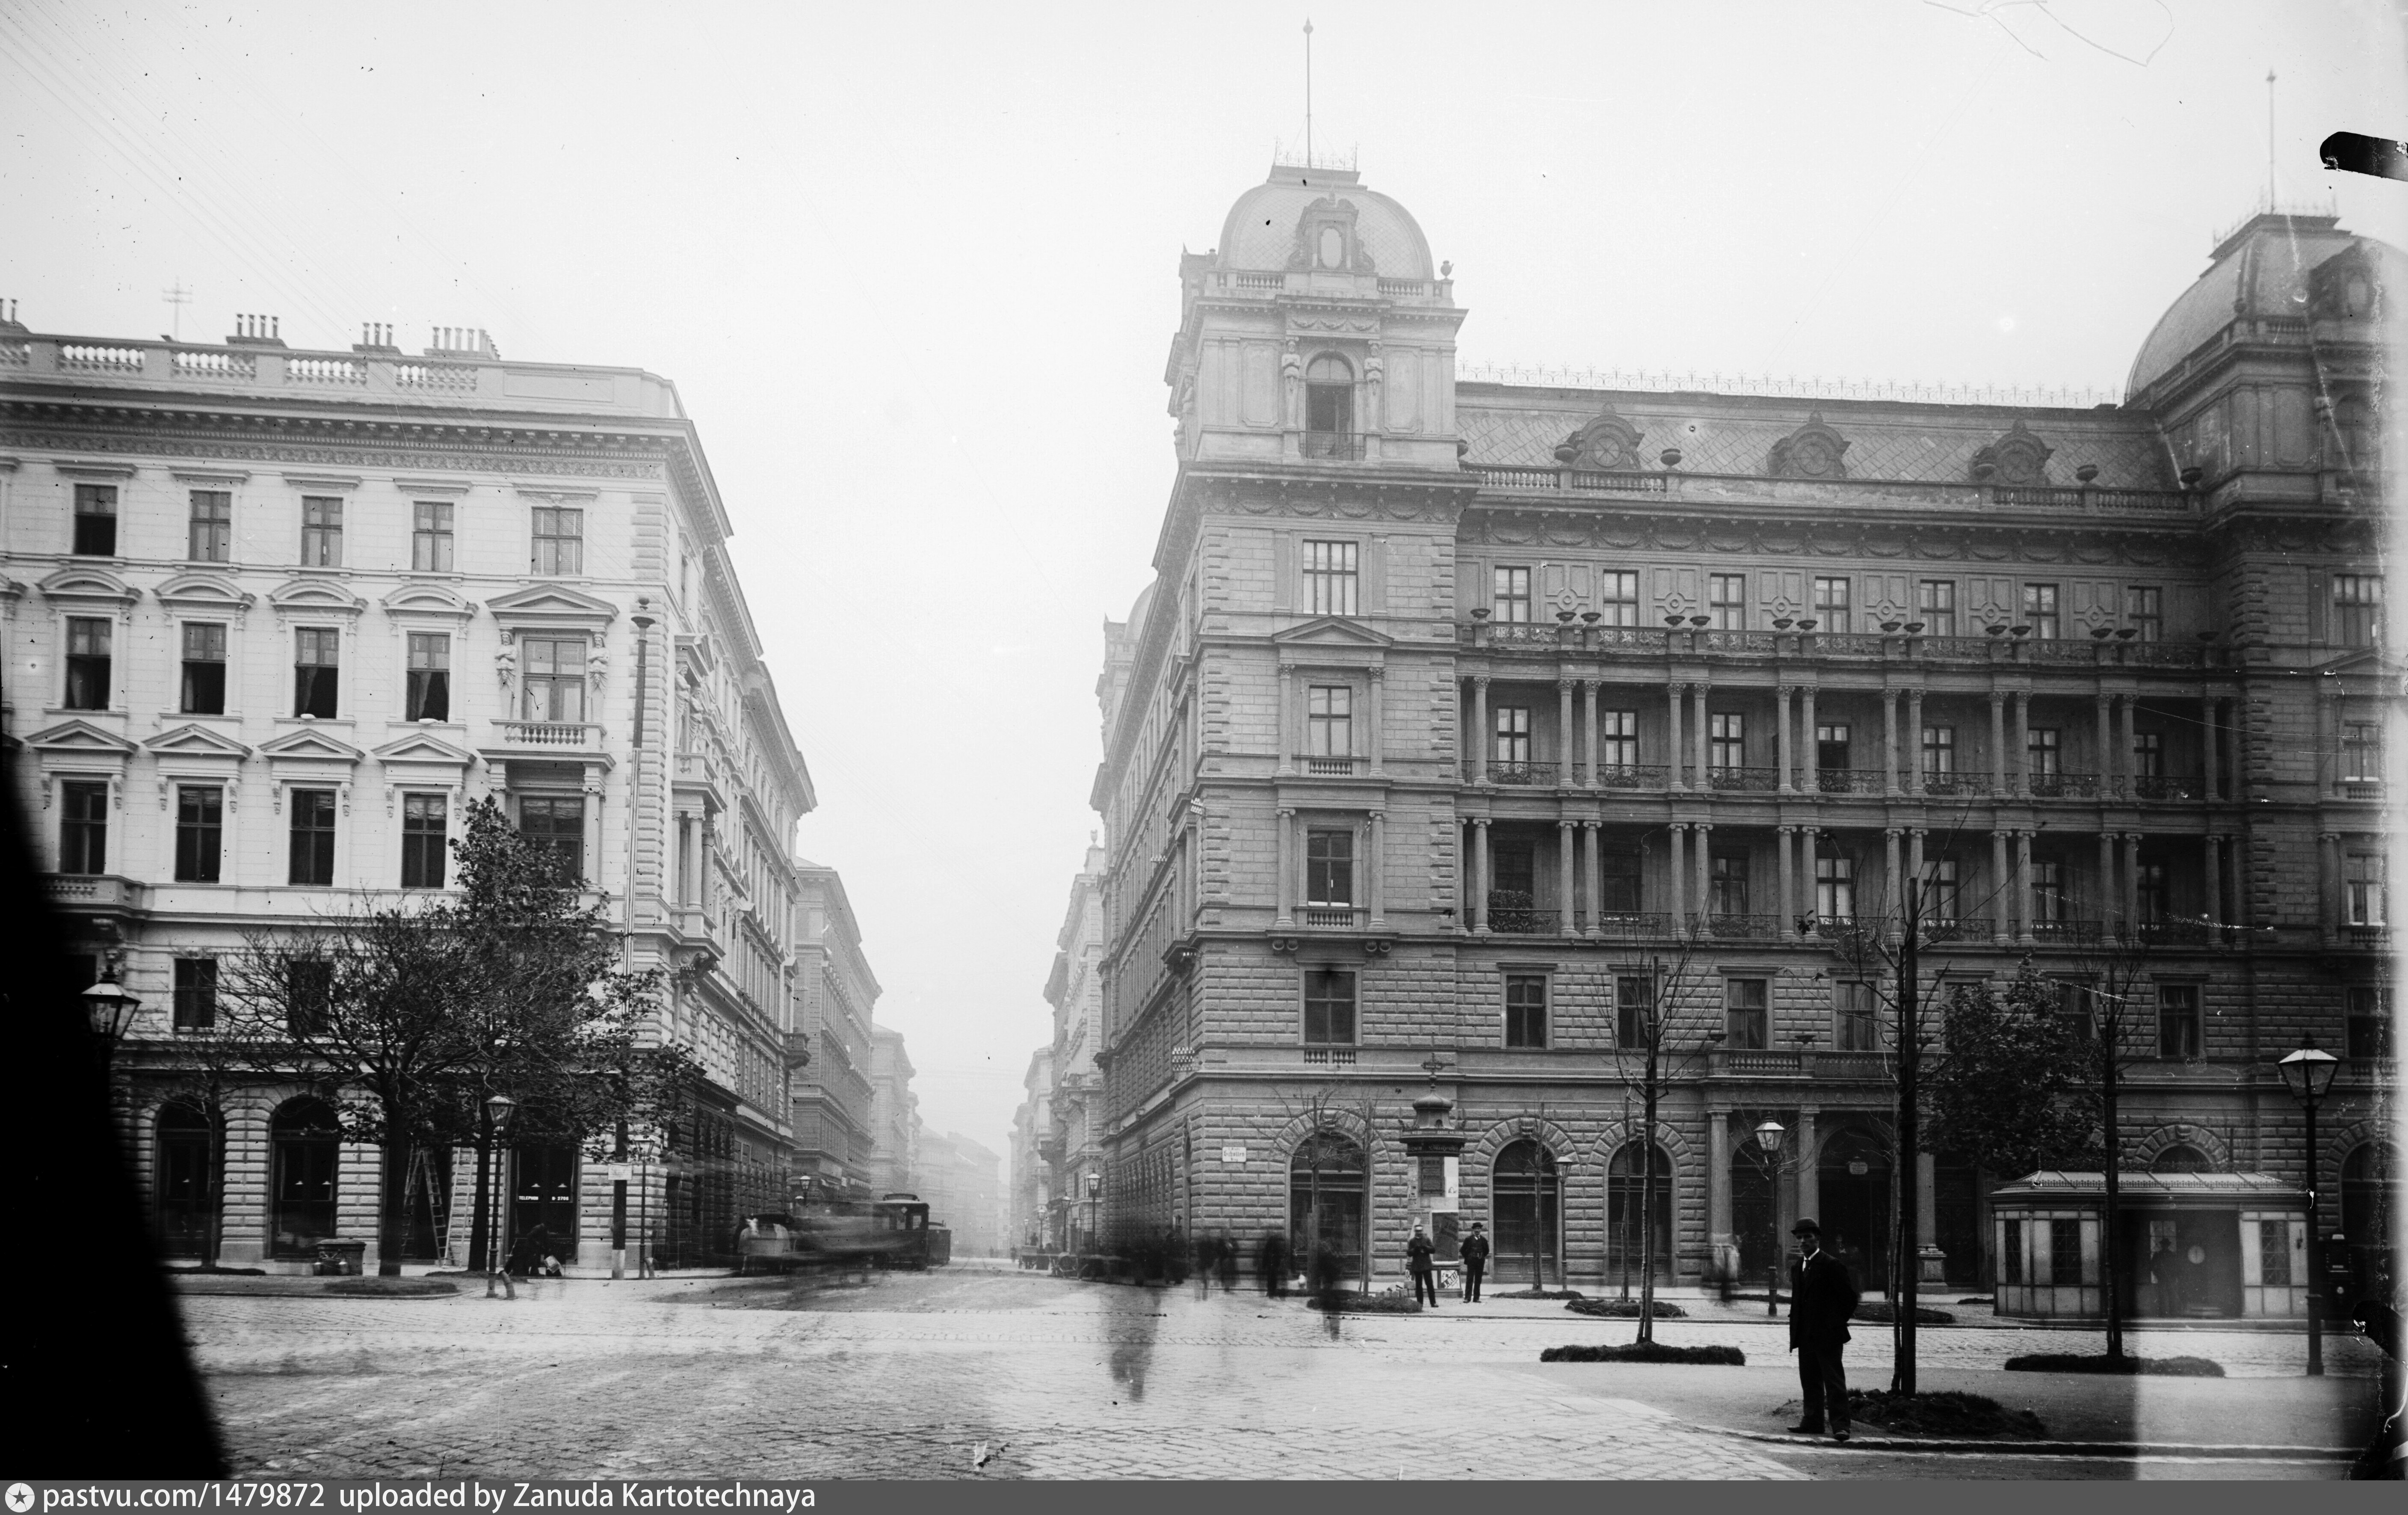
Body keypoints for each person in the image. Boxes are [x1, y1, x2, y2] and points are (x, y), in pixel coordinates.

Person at [1786, 1219, 1859, 1441]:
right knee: (1810, 1380)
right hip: (1805, 1334)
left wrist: (1833, 1324)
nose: (1803, 1241)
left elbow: (1849, 1299)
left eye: (1807, 1237)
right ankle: (1813, 1422)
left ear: (1817, 1238)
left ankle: (1841, 1426)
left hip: (1828, 1335)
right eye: (1799, 1237)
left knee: (1833, 1381)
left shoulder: (1831, 1265)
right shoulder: (1798, 1267)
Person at [1406, 1224, 1440, 1308]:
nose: (1419, 1233)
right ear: (1415, 1232)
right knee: (1419, 1286)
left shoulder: (1427, 1239)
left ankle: (1433, 1302)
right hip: (1417, 1266)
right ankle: (1420, 1303)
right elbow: (1409, 1253)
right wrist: (1415, 1250)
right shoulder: (1412, 1241)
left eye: (1420, 1231)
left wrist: (1426, 1248)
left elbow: (1433, 1250)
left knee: (1430, 1285)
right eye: (1418, 1231)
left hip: (1426, 1266)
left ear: (1422, 1231)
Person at [1458, 1221, 1490, 1303]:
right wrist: (1469, 1257)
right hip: (1471, 1262)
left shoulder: (1483, 1240)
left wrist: (1481, 1256)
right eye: (1476, 1229)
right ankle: (1467, 1298)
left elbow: (1486, 1251)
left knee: (1478, 1280)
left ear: (1481, 1230)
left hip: (1480, 1262)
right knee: (1470, 1279)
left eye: (1479, 1229)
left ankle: (1476, 1298)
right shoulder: (1468, 1239)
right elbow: (1462, 1250)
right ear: (1473, 1230)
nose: (1477, 1230)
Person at [1258, 1228, 1290, 1299]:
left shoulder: (1268, 1247)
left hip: (1270, 1265)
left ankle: (1270, 1292)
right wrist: (1278, 1264)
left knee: (1270, 1279)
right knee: (1274, 1279)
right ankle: (1273, 1292)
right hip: (1275, 1265)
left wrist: (1264, 1265)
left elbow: (1265, 1256)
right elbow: (1279, 1256)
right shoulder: (1277, 1246)